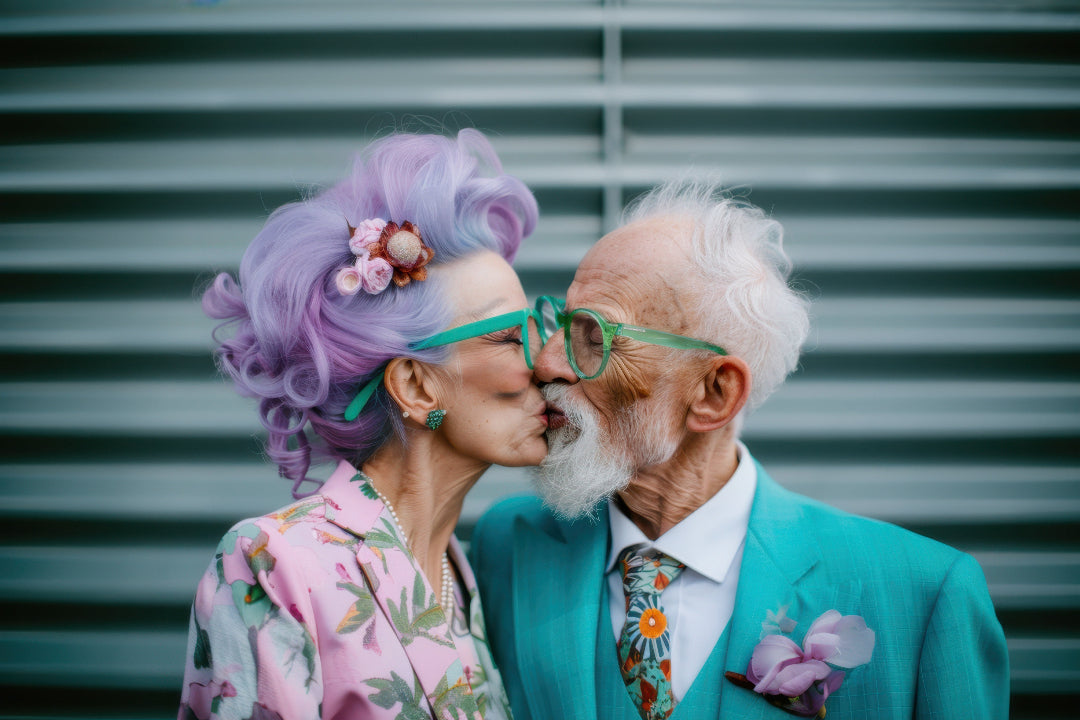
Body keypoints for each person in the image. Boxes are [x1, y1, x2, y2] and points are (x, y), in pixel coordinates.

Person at [470, 181, 1009, 719]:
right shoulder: (506, 547)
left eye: (593, 336)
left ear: (713, 394)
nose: (546, 362)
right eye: (559, 322)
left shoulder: (923, 595)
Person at [178, 130, 545, 720]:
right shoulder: (273, 564)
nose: (548, 361)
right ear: (416, 386)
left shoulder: (465, 570)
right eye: (511, 337)